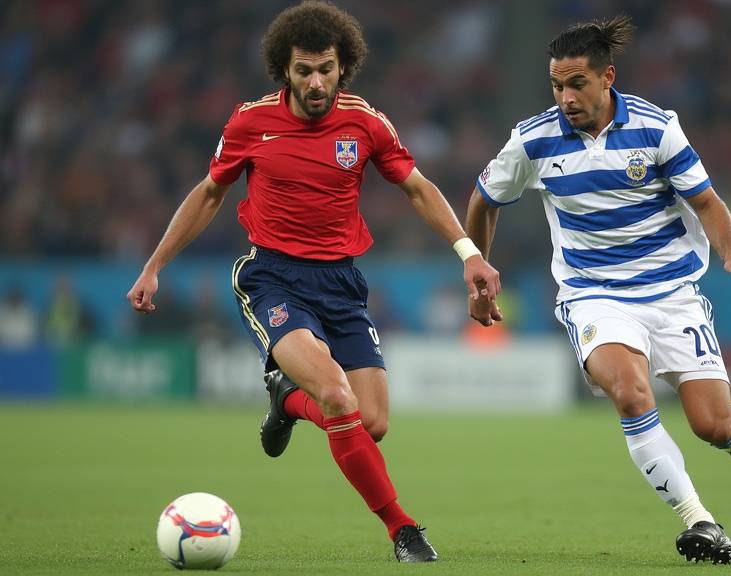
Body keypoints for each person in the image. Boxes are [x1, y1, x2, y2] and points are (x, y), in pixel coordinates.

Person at [126, 1, 500, 563]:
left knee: (368, 423)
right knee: (336, 394)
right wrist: (154, 265)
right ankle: (402, 528)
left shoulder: (366, 122)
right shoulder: (251, 123)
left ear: (343, 65)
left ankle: (285, 400)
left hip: (342, 283)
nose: (317, 81)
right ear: (285, 70)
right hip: (273, 279)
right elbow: (209, 194)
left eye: (326, 68)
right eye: (304, 70)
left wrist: (469, 253)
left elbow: (419, 188)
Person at [464, 16, 731, 566]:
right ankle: (699, 521)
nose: (565, 96)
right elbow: (484, 200)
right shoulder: (532, 140)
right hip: (593, 294)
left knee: (709, 422)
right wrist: (477, 266)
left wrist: (730, 252)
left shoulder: (657, 129)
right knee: (632, 394)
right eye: (557, 86)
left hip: (671, 290)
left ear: (607, 77)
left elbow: (706, 201)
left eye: (577, 83)